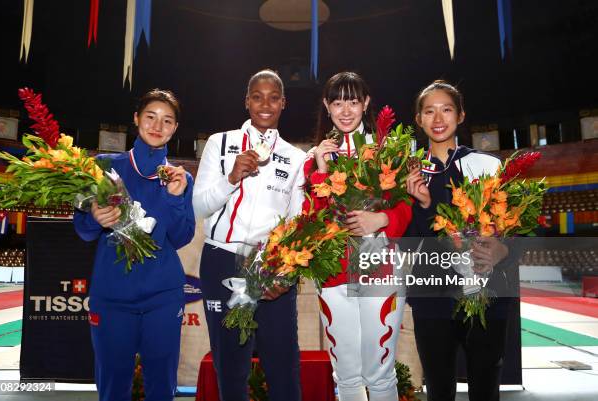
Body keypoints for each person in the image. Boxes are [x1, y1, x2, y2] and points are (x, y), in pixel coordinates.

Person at [74, 89, 195, 401]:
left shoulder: (180, 178)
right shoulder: (103, 167)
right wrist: (95, 219)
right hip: (112, 297)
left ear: (175, 128)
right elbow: (83, 231)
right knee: (113, 385)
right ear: (136, 119)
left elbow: (181, 237)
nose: (157, 125)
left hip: (163, 297)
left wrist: (173, 198)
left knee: (161, 386)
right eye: (151, 117)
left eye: (167, 121)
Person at [193, 69, 305, 401]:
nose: (265, 104)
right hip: (222, 262)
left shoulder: (296, 158)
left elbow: (297, 223)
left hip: (272, 266)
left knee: (282, 366)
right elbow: (198, 206)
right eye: (257, 96)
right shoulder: (220, 143)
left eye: (273, 97)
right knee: (231, 366)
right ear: (247, 101)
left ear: (283, 103)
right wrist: (231, 178)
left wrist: (286, 272)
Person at [303, 71, 411, 401]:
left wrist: (380, 218)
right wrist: (321, 169)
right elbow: (312, 220)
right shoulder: (314, 159)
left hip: (381, 270)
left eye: (353, 101)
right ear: (327, 105)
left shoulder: (389, 150)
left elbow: (406, 209)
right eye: (337, 102)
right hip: (333, 273)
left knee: (379, 372)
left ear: (365, 103)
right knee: (346, 374)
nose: (346, 110)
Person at [405, 80, 516, 401]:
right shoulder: (407, 174)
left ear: (461, 115)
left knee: (485, 389)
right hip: (432, 298)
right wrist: (423, 206)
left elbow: (516, 229)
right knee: (439, 389)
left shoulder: (488, 165)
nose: (438, 118)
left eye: (446, 109)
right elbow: (406, 242)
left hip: (488, 294)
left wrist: (502, 251)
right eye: (429, 111)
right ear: (419, 119)